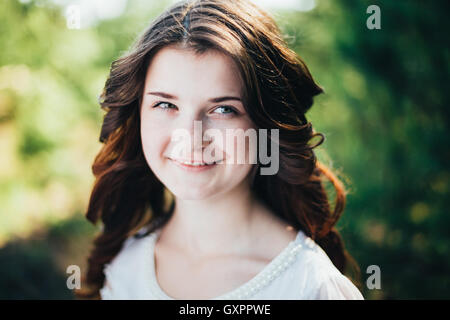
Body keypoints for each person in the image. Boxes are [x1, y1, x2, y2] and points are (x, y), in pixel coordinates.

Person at [75, 0, 364, 300]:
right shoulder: (125, 266)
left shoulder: (311, 287)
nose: (191, 136)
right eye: (166, 104)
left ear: (265, 124)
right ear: (138, 115)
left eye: (223, 109)